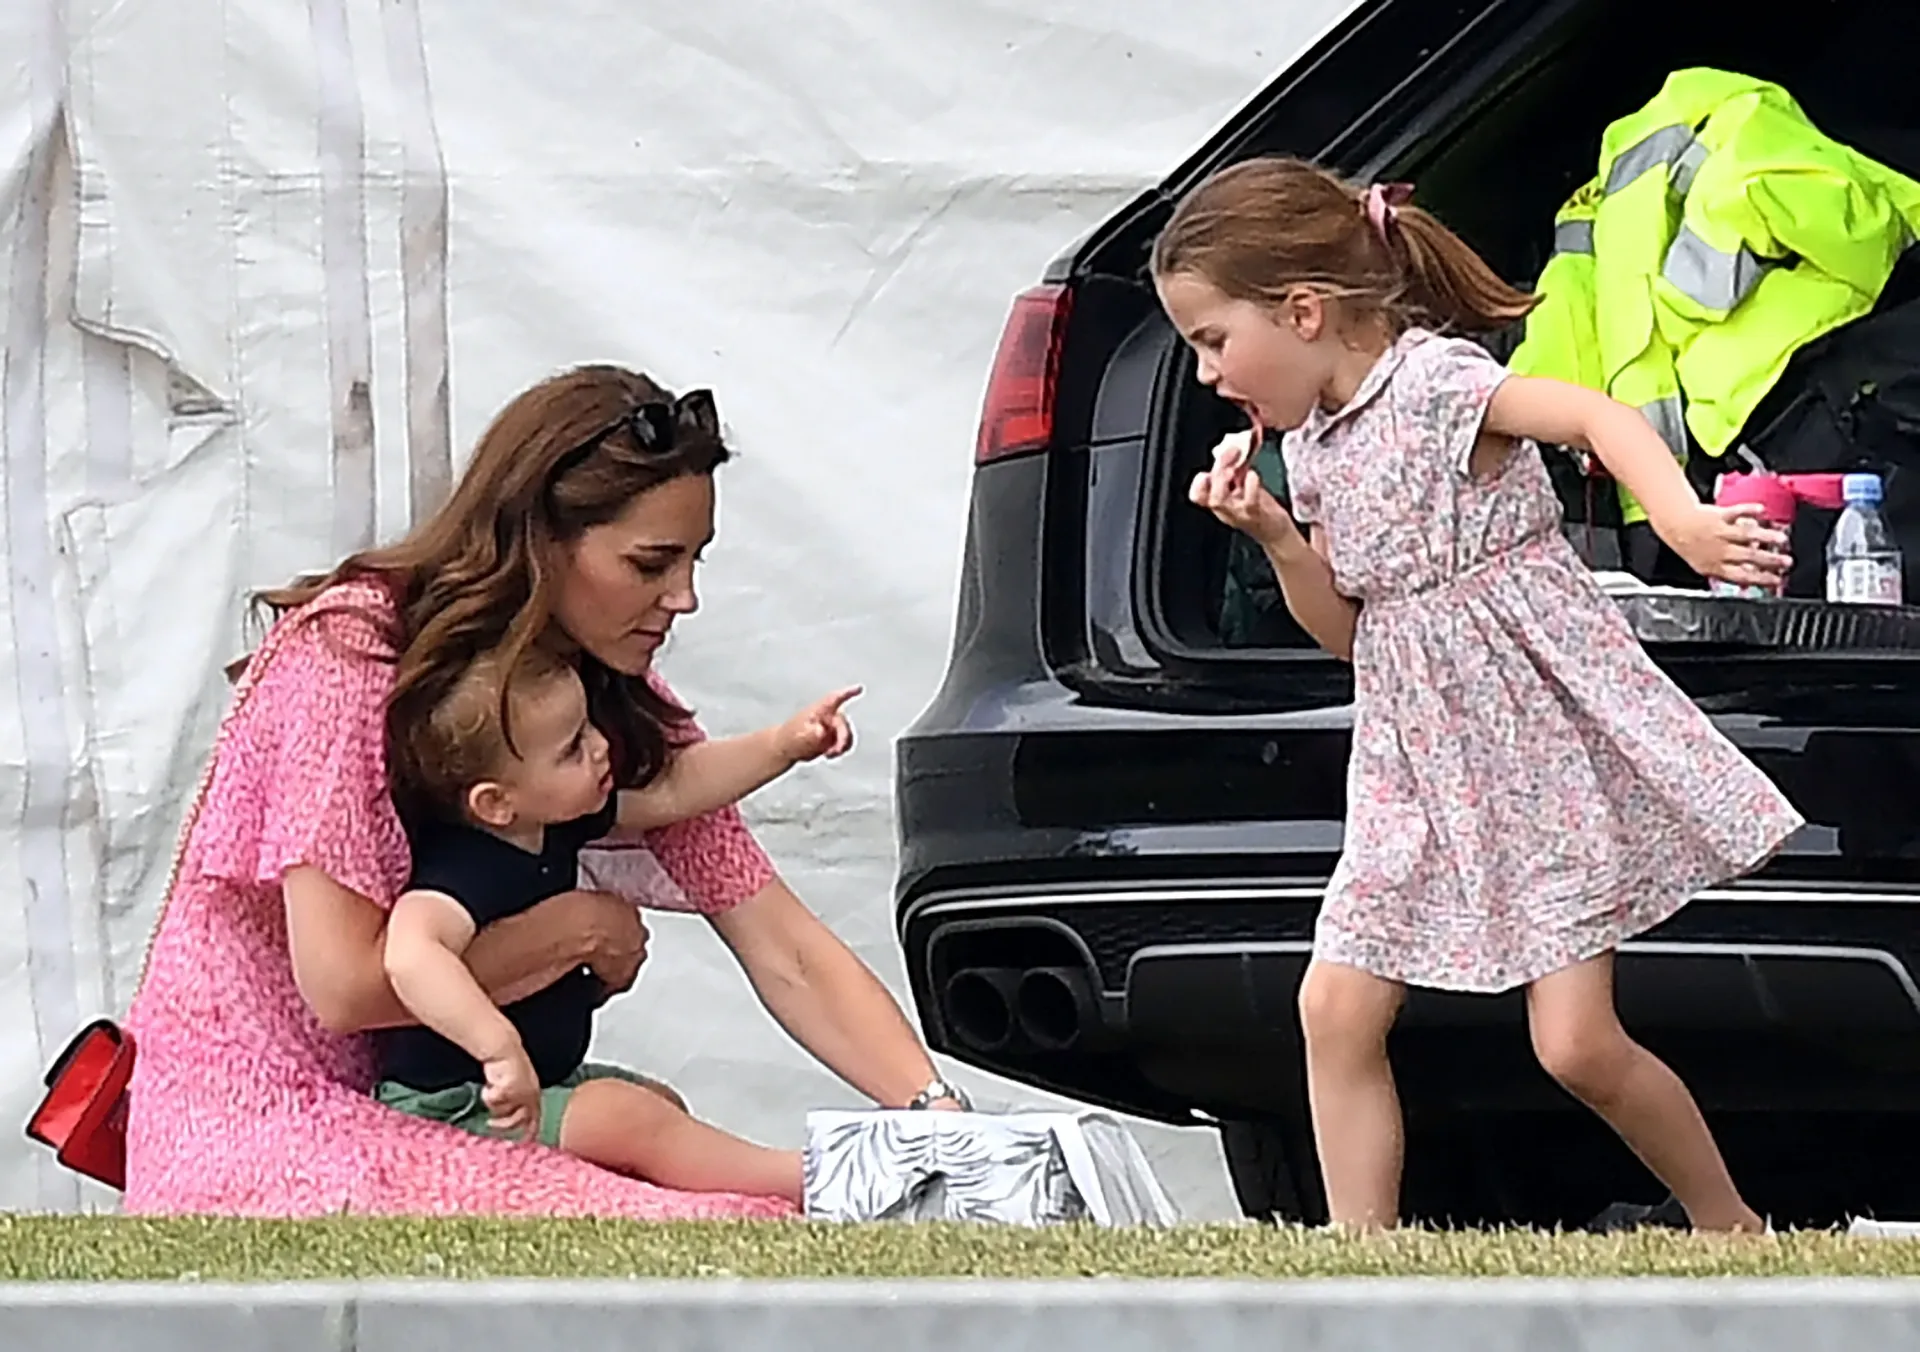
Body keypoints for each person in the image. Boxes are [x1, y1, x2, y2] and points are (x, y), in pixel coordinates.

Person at [122, 367, 969, 1218]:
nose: (684, 597)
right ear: (540, 540)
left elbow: (779, 941)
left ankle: (891, 1177)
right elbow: (345, 989)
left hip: (440, 1109)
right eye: (651, 563)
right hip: (264, 1125)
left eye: (695, 560)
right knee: (718, 1213)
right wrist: (573, 931)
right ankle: (849, 1184)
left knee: (669, 1145)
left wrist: (936, 1112)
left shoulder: (587, 702)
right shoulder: (349, 655)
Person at [1152, 157, 1803, 1233]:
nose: (1208, 373)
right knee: (1334, 1007)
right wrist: (1274, 535)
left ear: (1303, 311)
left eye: (1214, 340)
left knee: (1576, 1045)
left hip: (1530, 750)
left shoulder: (1438, 385)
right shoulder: (1311, 451)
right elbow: (1353, 634)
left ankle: (1730, 1222)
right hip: (1411, 763)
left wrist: (1682, 519)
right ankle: (1358, 1254)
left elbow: (1594, 417)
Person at [377, 639, 860, 1204]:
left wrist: (783, 744)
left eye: (588, 727)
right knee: (628, 1118)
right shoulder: (465, 864)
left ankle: (719, 1200)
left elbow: (676, 791)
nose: (602, 746)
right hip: (453, 1106)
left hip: (540, 1081)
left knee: (659, 1106)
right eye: (572, 749)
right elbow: (409, 953)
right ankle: (816, 1182)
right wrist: (498, 1048)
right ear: (495, 803)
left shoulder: (554, 823)